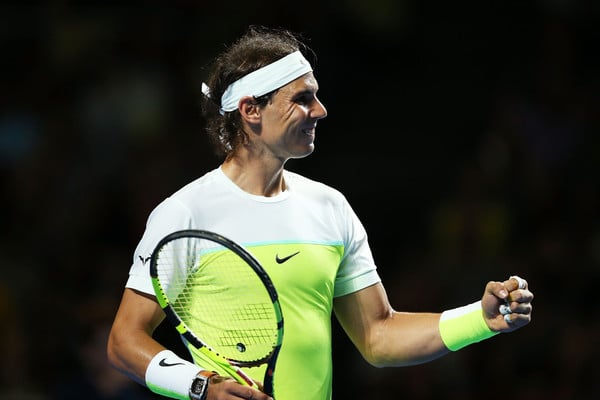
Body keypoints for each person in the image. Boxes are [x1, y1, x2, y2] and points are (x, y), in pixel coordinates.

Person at [107, 25, 534, 400]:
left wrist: (479, 319)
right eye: (302, 99)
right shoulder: (185, 212)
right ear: (251, 111)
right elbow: (124, 340)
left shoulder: (330, 208)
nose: (320, 110)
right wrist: (201, 385)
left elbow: (378, 336)